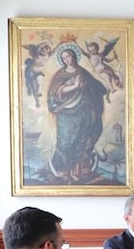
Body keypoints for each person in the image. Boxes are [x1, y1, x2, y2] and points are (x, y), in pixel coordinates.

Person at [46, 46, 108, 184]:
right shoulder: (60, 75)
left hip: (83, 112)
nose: (67, 59)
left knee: (83, 139)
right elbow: (54, 94)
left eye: (69, 56)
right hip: (66, 115)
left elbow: (98, 88)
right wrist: (74, 87)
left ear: (74, 56)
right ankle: (63, 171)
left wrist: (88, 86)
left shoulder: (82, 72)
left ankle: (80, 171)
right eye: (64, 58)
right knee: (66, 141)